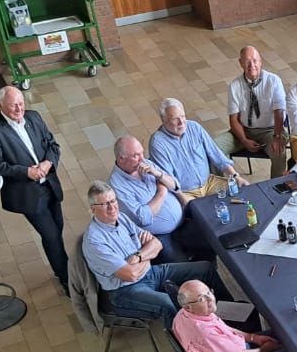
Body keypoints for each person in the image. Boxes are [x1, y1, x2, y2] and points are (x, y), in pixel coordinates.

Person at [79, 182, 226, 326]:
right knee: (169, 304)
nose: (112, 207)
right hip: (125, 290)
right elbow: (131, 275)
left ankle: (229, 313)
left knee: (205, 269)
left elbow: (157, 244)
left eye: (113, 201)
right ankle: (189, 338)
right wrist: (148, 254)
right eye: (104, 204)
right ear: (93, 209)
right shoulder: (94, 241)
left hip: (150, 273)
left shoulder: (121, 218)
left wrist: (138, 257)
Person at [0, 86, 68, 291]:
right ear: (0, 105)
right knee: (51, 235)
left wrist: (48, 163)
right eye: (13, 105)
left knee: (57, 229)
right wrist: (26, 172)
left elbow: (52, 145)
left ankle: (60, 268)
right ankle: (67, 278)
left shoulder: (34, 117)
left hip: (49, 185)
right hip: (28, 194)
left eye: (21, 103)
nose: (19, 109)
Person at [147, 98, 248, 200]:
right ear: (163, 120)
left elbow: (217, 155)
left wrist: (235, 176)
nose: (181, 122)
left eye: (183, 116)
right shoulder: (157, 143)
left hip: (209, 183)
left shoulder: (194, 127)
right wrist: (183, 201)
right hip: (185, 192)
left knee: (242, 195)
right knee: (197, 210)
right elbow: (167, 178)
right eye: (175, 119)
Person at [107, 135, 187, 262]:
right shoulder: (116, 186)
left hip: (184, 220)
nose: (142, 158)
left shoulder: (146, 164)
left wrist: (159, 175)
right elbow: (143, 218)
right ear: (121, 158)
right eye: (136, 155)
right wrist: (162, 191)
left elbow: (175, 185)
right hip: (160, 237)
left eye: (142, 153)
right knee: (183, 264)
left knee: (209, 241)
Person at [217, 46, 289, 177]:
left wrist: (277, 136)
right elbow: (233, 119)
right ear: (240, 63)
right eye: (247, 61)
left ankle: (275, 186)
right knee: (213, 149)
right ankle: (218, 186)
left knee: (279, 152)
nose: (252, 65)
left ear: (260, 61)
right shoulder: (235, 85)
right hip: (243, 130)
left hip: (270, 130)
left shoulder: (273, 81)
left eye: (255, 61)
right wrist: (244, 140)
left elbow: (279, 112)